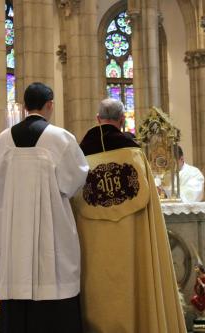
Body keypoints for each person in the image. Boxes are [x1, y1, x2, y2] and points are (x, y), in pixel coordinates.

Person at [73, 98, 186, 333]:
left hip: (94, 244)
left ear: (97, 119)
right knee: (135, 280)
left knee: (98, 287)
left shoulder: (80, 155)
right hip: (131, 242)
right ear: (122, 121)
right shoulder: (134, 153)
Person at [0, 82, 89, 333]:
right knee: (53, 275)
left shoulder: (3, 140)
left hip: (14, 236)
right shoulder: (60, 138)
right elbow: (75, 181)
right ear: (50, 105)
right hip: (51, 231)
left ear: (24, 107)